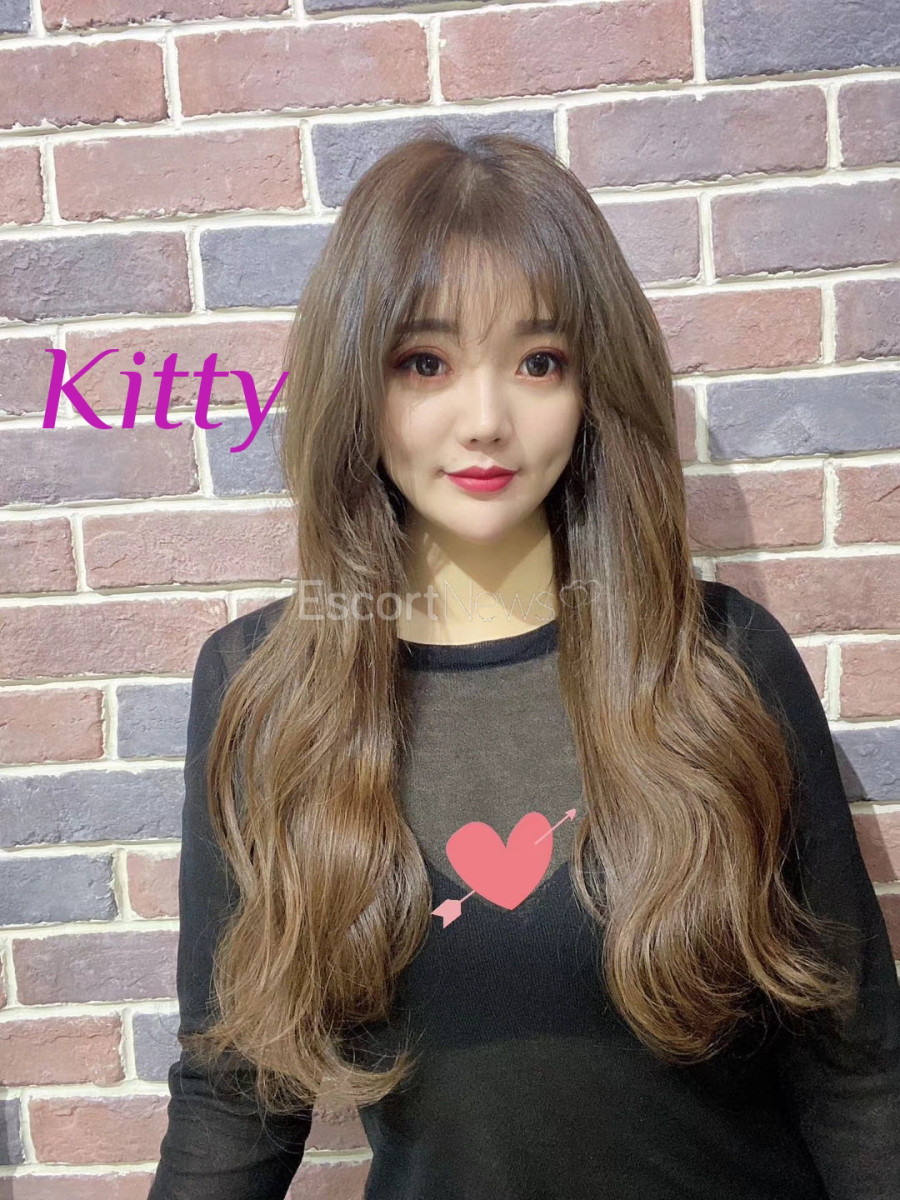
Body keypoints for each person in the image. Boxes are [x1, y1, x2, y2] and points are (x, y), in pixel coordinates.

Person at [147, 128, 900, 1200]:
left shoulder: (722, 663)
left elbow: (856, 1065)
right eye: (425, 363)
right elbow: (235, 1093)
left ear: (593, 385)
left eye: (539, 362)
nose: (487, 420)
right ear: (357, 382)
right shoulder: (266, 693)